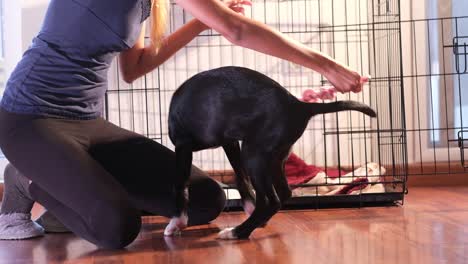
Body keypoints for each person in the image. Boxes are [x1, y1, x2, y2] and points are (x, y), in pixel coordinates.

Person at [0, 0, 367, 249]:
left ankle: (74, 188)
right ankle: (27, 180)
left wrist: (198, 22)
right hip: (30, 117)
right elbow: (235, 29)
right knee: (116, 228)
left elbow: (135, 67)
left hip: (87, 121)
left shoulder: (144, 3)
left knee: (206, 201)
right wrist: (326, 65)